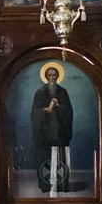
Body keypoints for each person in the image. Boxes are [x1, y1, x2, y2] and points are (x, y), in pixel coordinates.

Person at [32, 63, 75, 196]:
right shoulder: (40, 92)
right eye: (49, 75)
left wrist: (59, 106)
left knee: (60, 158)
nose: (52, 78)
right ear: (46, 77)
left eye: (54, 75)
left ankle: (61, 185)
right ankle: (45, 185)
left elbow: (69, 110)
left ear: (58, 76)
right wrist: (44, 111)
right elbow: (34, 112)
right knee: (44, 158)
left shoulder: (62, 92)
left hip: (59, 132)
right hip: (45, 133)